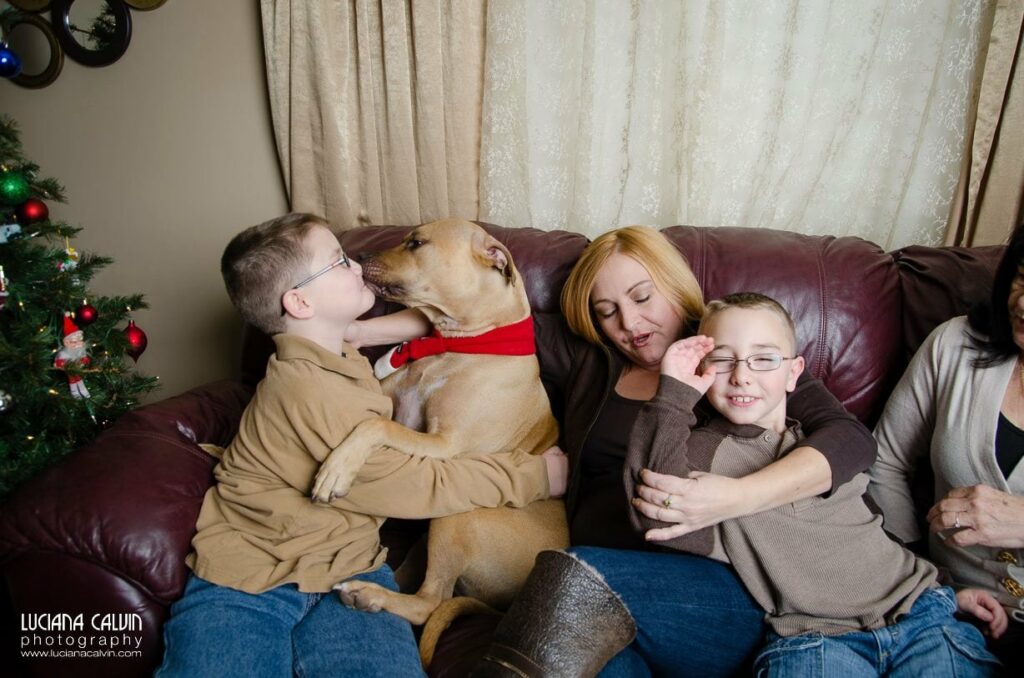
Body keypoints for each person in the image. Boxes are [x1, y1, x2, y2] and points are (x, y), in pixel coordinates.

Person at [350, 226, 877, 676]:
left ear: (674, 284)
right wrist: (353, 331)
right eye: (607, 311)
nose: (629, 324)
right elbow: (473, 315)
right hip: (589, 597)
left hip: (704, 593)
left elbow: (850, 440)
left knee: (575, 579)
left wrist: (734, 497)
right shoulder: (590, 360)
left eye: (643, 298)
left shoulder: (733, 357)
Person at [156, 213, 567, 678]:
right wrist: (534, 475)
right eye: (338, 262)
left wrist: (367, 332)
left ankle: (423, 598)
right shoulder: (306, 388)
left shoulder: (346, 358)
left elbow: (462, 314)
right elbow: (406, 483)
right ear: (299, 302)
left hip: (351, 564)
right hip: (251, 579)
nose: (358, 261)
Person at [622, 292, 1002, 675]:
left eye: (765, 358)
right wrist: (674, 394)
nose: (741, 375)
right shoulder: (705, 450)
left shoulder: (822, 445)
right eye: (722, 359)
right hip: (815, 638)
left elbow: (874, 534)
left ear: (793, 372)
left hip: (923, 615)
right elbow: (656, 513)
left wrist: (948, 588)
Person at [869, 222, 1024, 668]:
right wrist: (926, 576)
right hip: (951, 609)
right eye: (1022, 276)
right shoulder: (955, 343)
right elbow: (884, 461)